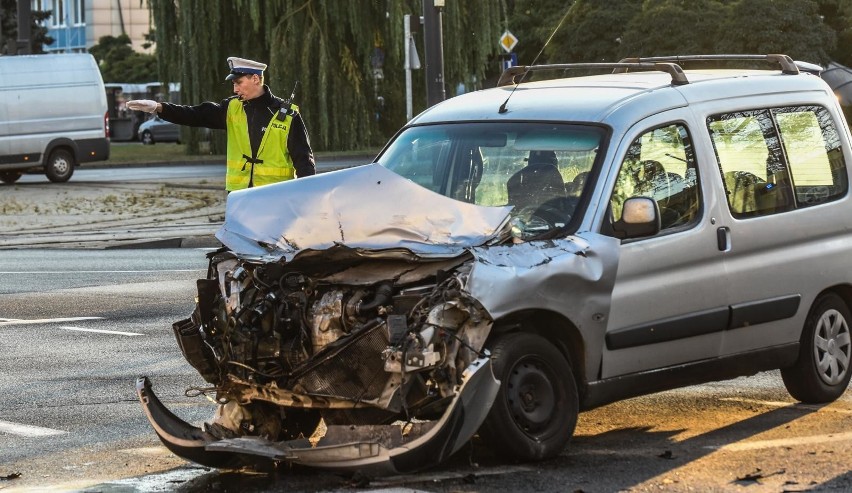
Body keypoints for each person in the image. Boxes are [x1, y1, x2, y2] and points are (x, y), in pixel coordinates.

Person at [127, 57, 315, 191]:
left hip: (276, 194)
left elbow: (304, 159)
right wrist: (159, 108)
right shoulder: (231, 108)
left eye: (239, 82)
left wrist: (308, 195)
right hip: (239, 195)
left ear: (256, 79)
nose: (235, 89)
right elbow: (195, 115)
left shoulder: (288, 114)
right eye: (233, 84)